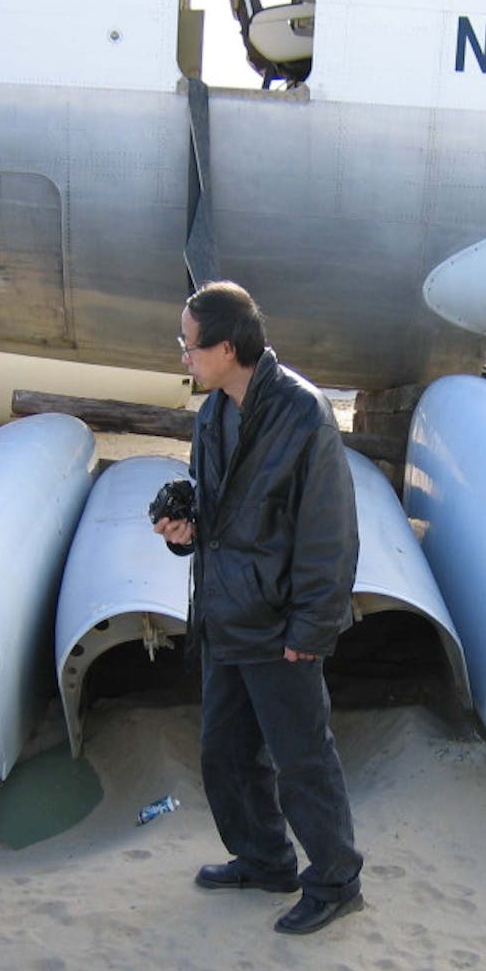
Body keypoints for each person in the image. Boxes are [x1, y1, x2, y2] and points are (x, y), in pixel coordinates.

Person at [153, 281, 364, 936]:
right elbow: (218, 512)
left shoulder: (303, 414)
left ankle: (336, 881)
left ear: (226, 347)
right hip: (224, 615)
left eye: (189, 344)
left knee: (302, 760)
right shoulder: (212, 413)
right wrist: (183, 525)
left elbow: (330, 533)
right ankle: (265, 858)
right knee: (226, 751)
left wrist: (311, 629)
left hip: (280, 626)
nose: (183, 356)